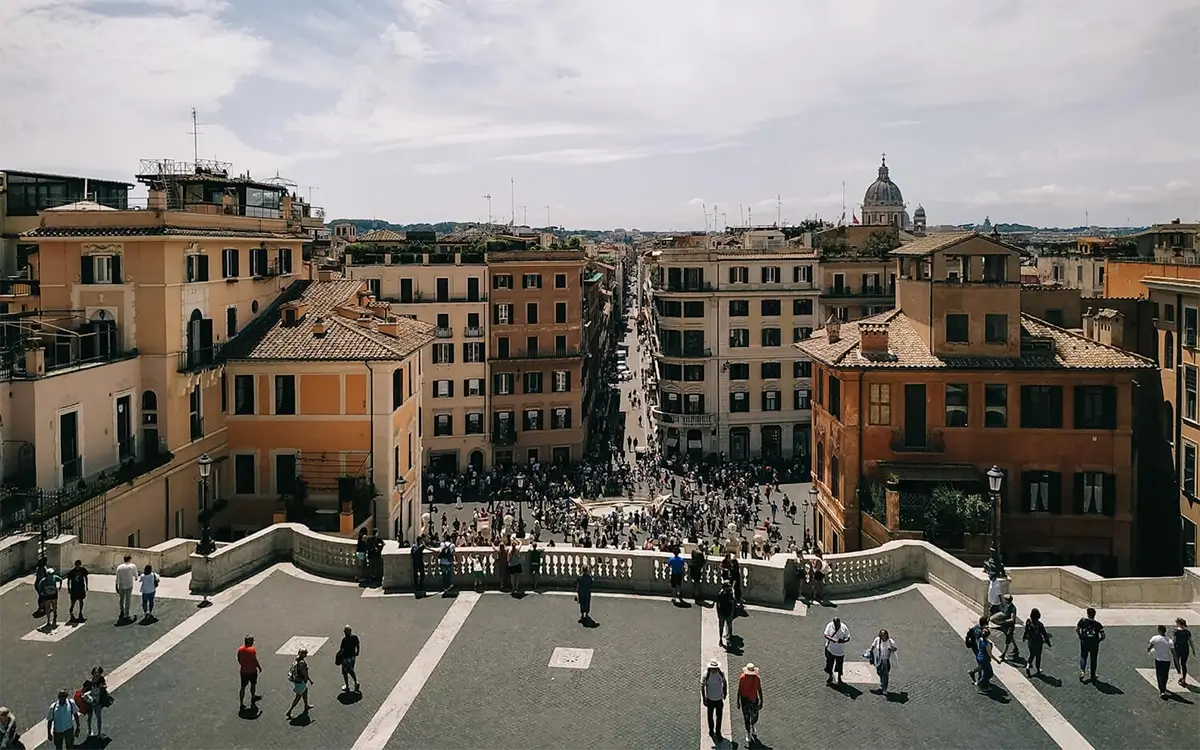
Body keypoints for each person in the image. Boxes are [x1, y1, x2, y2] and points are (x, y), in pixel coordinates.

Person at [1076, 607, 1105, 682]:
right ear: (1094, 615)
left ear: (1088, 614)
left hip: (1084, 641)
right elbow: (1103, 635)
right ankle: (1093, 675)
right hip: (1094, 643)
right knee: (1093, 659)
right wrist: (1099, 640)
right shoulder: (1098, 624)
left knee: (1083, 656)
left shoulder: (1082, 621)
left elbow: (1077, 629)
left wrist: (1080, 636)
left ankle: (1082, 671)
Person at [736, 663, 763, 746]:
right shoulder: (742, 678)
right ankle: (748, 731)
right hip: (745, 700)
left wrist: (761, 700)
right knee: (746, 717)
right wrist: (738, 701)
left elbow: (759, 689)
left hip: (754, 700)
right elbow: (739, 690)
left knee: (755, 716)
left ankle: (752, 725)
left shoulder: (756, 678)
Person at [1148, 624, 1176, 699]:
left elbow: (1149, 646)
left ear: (1159, 630)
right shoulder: (1169, 640)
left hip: (1159, 659)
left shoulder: (1155, 638)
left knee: (1159, 674)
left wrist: (1149, 650)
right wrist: (1176, 661)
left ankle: (1162, 690)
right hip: (1167, 660)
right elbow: (1173, 652)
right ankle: (1164, 687)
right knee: (1165, 675)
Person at [701, 658, 726, 738]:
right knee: (710, 716)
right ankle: (711, 730)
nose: (714, 669)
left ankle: (718, 732)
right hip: (710, 699)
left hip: (719, 699)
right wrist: (704, 699)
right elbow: (702, 687)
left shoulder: (721, 673)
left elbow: (724, 682)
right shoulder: (706, 675)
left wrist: (725, 692)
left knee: (719, 717)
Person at [1022, 607, 1052, 676]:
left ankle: (1028, 666)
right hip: (1038, 642)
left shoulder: (1028, 621)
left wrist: (1024, 637)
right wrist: (1048, 643)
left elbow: (1026, 630)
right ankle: (1038, 668)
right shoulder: (1040, 625)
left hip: (1030, 642)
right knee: (1038, 656)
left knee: (1032, 654)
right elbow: (1044, 634)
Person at [867, 628, 898, 694]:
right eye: (881, 635)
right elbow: (873, 646)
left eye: (884, 635)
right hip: (878, 658)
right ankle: (882, 681)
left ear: (886, 635)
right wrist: (870, 652)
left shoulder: (890, 641)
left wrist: (891, 649)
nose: (883, 636)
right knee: (878, 671)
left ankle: (884, 688)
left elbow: (895, 648)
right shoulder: (877, 640)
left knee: (885, 674)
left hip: (885, 660)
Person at [285, 648, 313, 719]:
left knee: (305, 691)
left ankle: (306, 705)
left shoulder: (297, 659)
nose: (306, 654)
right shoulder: (302, 663)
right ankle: (289, 711)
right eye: (305, 653)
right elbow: (304, 673)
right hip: (300, 681)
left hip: (297, 680)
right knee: (298, 697)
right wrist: (308, 679)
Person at [823, 617, 851, 685]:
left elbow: (848, 637)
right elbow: (826, 635)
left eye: (838, 624)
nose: (837, 626)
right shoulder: (829, 625)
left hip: (840, 652)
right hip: (830, 649)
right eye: (835, 624)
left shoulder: (844, 627)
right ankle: (830, 676)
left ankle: (839, 678)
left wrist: (843, 641)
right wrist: (834, 640)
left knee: (839, 665)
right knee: (829, 664)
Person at [237, 635, 262, 711]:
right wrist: (259, 667)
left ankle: (241, 703)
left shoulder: (240, 649)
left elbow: (239, 659)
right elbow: (255, 660)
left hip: (244, 671)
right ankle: (253, 697)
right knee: (253, 685)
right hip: (252, 671)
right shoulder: (252, 650)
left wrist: (243, 664)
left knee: (243, 687)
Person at [338, 625, 361, 693]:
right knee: (351, 670)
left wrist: (338, 655)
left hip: (345, 658)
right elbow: (358, 645)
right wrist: (357, 652)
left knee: (345, 672)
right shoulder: (355, 637)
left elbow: (342, 649)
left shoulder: (344, 640)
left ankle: (347, 686)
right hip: (352, 657)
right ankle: (355, 682)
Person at [114, 555, 137, 623]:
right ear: (129, 559)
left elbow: (117, 577)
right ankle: (127, 613)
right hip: (129, 584)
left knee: (121, 599)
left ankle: (122, 610)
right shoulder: (132, 566)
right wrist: (136, 577)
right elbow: (135, 574)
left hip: (121, 585)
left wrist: (116, 586)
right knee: (128, 599)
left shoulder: (119, 567)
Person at [715, 580, 736, 648]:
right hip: (722, 612)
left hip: (728, 612)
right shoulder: (721, 594)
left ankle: (729, 637)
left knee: (729, 626)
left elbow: (733, 603)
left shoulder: (730, 593)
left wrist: (732, 612)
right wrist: (718, 613)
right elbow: (717, 604)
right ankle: (721, 639)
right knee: (722, 626)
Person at [1174, 618, 1192, 687]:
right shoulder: (1187, 632)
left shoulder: (1175, 631)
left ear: (1178, 623)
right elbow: (1190, 641)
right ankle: (1184, 678)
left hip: (1177, 649)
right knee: (1183, 664)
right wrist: (1193, 650)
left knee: (1176, 662)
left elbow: (1174, 640)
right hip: (1185, 649)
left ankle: (1179, 675)